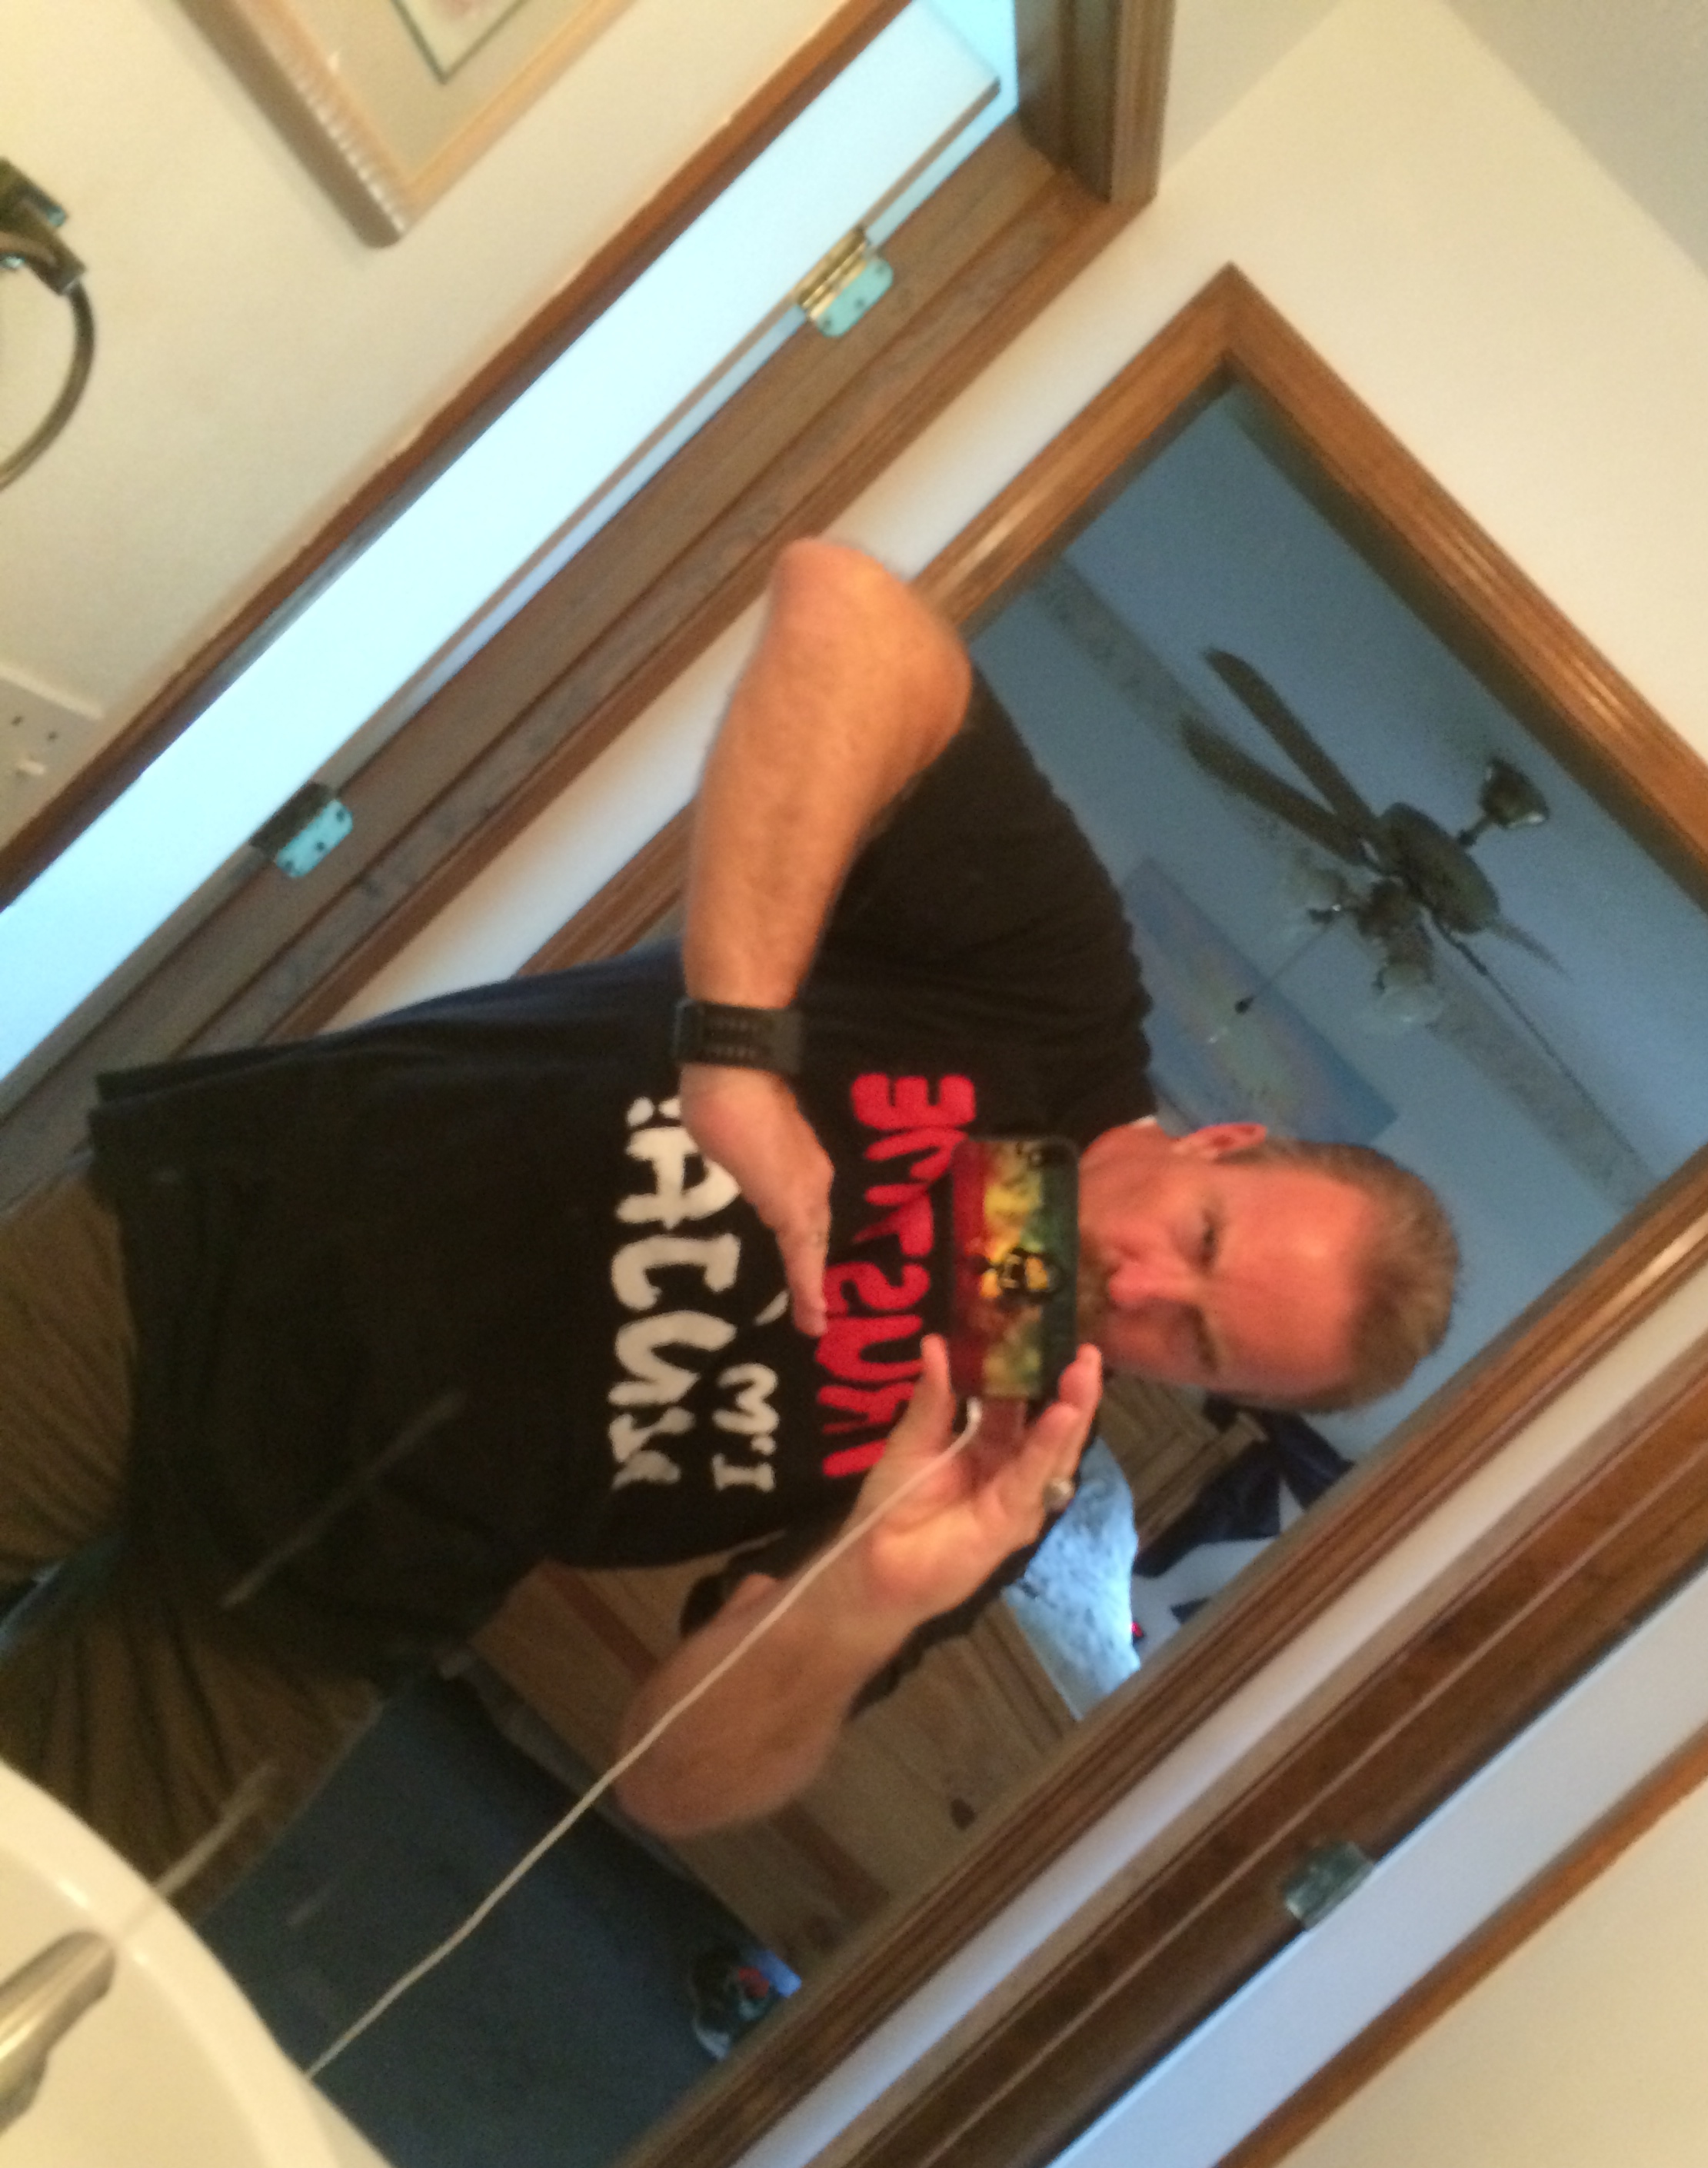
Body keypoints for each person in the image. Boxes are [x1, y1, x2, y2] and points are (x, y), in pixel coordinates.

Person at [0, 540, 1456, 1899]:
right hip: (196, 1269)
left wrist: (862, 1601)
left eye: (1193, 1341)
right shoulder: (1056, 1003)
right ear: (1223, 1141)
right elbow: (843, 609)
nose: (1134, 1284)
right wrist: (738, 1047)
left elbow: (672, 1783)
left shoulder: (1005, 1459)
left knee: (42, 1946)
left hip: (335, 1593)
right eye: (1202, 1238)